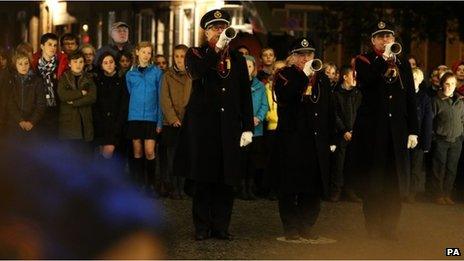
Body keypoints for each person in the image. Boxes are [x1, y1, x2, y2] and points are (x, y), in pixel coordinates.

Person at [174, 9, 253, 241]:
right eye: (215, 28)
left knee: (226, 181)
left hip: (229, 127)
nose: (220, 31)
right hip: (203, 128)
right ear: (205, 31)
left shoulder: (237, 59)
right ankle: (201, 227)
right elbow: (196, 73)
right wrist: (215, 49)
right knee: (204, 180)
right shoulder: (196, 53)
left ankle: (221, 226)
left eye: (223, 27)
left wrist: (247, 125)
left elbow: (244, 94)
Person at [349, 21, 419, 240]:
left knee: (394, 181)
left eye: (389, 36)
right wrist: (383, 61)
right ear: (373, 41)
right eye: (381, 37)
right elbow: (366, 82)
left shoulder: (403, 62)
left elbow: (410, 96)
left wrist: (413, 130)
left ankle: (390, 228)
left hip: (397, 130)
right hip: (373, 131)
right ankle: (373, 227)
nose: (386, 40)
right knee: (374, 181)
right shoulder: (364, 60)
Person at [271, 37, 336, 243]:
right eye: (300, 54)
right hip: (292, 140)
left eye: (309, 54)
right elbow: (285, 96)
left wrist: (332, 136)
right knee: (290, 186)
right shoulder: (284, 75)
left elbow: (329, 109)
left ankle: (306, 226)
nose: (306, 58)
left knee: (313, 187)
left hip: (315, 141)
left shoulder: (322, 79)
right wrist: (303, 76)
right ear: (292, 57)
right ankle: (290, 227)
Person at [125, 41, 163, 194]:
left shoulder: (157, 72)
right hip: (134, 117)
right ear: (137, 52)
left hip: (151, 117)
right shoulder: (130, 73)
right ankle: (139, 184)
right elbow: (130, 94)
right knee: (137, 152)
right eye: (144, 52)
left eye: (149, 52)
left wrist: (159, 121)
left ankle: (151, 184)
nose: (146, 55)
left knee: (149, 151)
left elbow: (161, 98)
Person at [159, 44, 192, 199]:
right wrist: (173, 119)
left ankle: (183, 187)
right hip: (170, 123)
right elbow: (165, 99)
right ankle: (173, 187)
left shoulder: (192, 75)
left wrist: (186, 118)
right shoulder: (167, 75)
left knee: (185, 156)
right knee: (171, 157)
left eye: (182, 56)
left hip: (187, 122)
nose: (179, 60)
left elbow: (194, 98)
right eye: (177, 56)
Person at [238, 55, 269, 200]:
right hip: (241, 129)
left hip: (256, 130)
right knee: (241, 159)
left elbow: (265, 105)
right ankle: (241, 187)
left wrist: (258, 117)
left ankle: (250, 188)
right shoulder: (236, 86)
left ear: (253, 69)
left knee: (253, 160)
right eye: (244, 66)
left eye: (249, 66)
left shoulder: (260, 86)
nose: (246, 69)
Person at [431, 72, 464, 205]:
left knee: (452, 169)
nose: (450, 87)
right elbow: (430, 121)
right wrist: (434, 137)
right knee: (439, 168)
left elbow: (462, 120)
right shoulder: (436, 101)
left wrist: (461, 135)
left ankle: (447, 194)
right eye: (447, 84)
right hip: (441, 140)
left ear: (456, 86)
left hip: (456, 141)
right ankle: (438, 194)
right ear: (442, 84)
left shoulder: (460, 102)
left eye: (452, 84)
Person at [330, 66, 362, 202]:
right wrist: (344, 130)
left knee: (352, 163)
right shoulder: (336, 94)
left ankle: (350, 190)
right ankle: (336, 190)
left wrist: (354, 130)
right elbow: (334, 114)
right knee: (339, 163)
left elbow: (360, 112)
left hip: (354, 133)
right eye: (352, 75)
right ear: (345, 77)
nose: (355, 78)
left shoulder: (358, 94)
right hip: (341, 134)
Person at [93, 52, 129, 173]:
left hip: (115, 125)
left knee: (108, 153)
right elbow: (95, 103)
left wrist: (118, 123)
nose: (109, 65)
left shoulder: (121, 80)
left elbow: (124, 104)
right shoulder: (97, 80)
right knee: (102, 154)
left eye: (111, 62)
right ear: (101, 65)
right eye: (105, 62)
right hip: (100, 125)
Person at [57, 50, 97, 156]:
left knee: (85, 158)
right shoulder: (64, 78)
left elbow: (92, 97)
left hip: (85, 123)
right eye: (75, 62)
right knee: (69, 159)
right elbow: (63, 95)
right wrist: (81, 92)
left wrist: (74, 102)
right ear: (69, 63)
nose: (78, 65)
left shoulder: (89, 78)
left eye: (81, 62)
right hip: (69, 124)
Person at [32, 33, 69, 139]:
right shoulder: (33, 65)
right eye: (50, 44)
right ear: (42, 46)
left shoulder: (61, 64)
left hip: (56, 111)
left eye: (55, 45)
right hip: (38, 111)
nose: (53, 48)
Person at [3, 51, 46, 141]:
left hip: (33, 124)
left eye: (26, 63)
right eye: (20, 64)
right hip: (14, 123)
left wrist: (32, 121)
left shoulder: (37, 81)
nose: (23, 66)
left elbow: (41, 104)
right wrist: (20, 120)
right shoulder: (11, 80)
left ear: (29, 64)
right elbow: (10, 103)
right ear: (15, 65)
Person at [407, 67, 432, 203]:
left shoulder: (424, 98)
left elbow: (427, 121)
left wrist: (426, 143)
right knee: (404, 165)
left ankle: (412, 193)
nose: (413, 81)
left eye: (416, 79)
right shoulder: (403, 95)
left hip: (418, 139)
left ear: (421, 80)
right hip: (403, 138)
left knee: (415, 168)